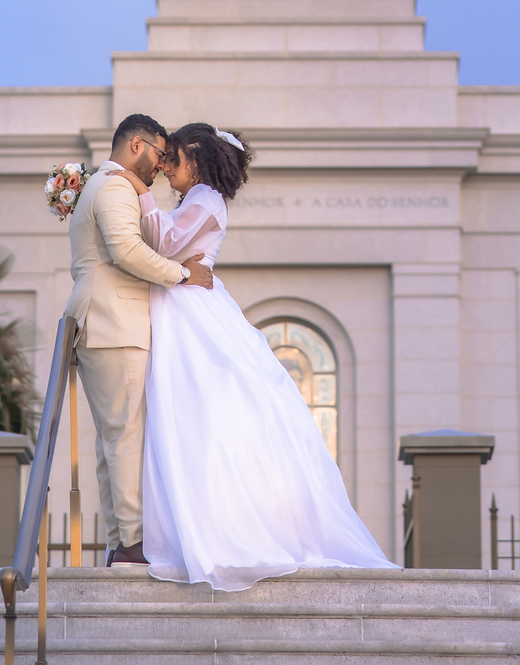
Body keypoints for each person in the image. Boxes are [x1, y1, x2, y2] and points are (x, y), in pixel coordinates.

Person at [115, 121, 392, 591]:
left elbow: (162, 243)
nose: (165, 169)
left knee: (192, 416)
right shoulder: (194, 199)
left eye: (173, 159)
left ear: (197, 160)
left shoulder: (205, 199)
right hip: (180, 300)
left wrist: (136, 188)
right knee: (178, 420)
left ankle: (196, 532)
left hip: (190, 310)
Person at [63, 113, 213, 565]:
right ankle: (131, 544)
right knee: (125, 437)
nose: (160, 166)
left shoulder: (105, 186)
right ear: (136, 145)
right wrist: (184, 274)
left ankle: (120, 541)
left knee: (114, 440)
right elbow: (126, 250)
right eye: (159, 154)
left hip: (105, 324)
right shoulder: (113, 187)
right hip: (114, 324)